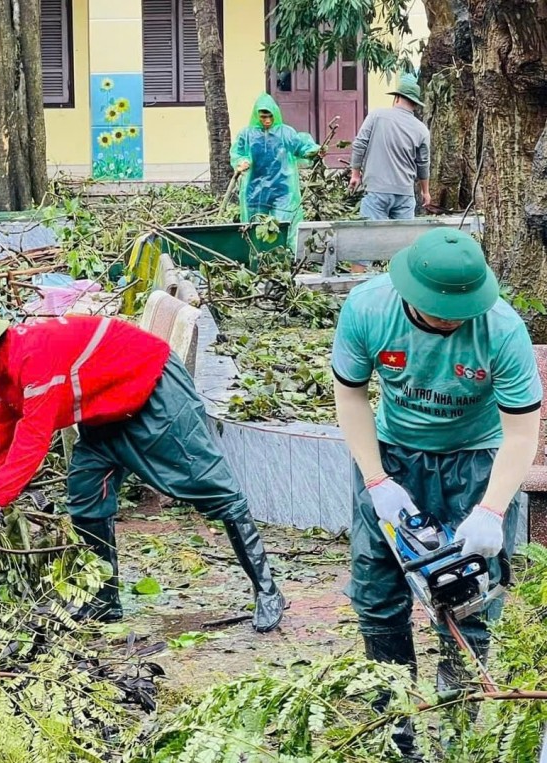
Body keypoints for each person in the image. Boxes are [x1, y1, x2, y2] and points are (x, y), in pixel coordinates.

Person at [0, 313, 286, 632]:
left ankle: (267, 590)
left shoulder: (33, 357)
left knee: (210, 487)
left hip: (152, 392)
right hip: (103, 411)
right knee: (86, 498)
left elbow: (32, 440)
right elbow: (1, 430)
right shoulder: (5, 374)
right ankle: (105, 600)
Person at [332, 228, 541, 758]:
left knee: (466, 598)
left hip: (475, 460)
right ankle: (395, 725)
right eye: (439, 312)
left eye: (460, 311)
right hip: (393, 455)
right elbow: (351, 396)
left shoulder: (501, 329)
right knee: (378, 599)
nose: (451, 321)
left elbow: (521, 431)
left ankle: (456, 726)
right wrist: (376, 480)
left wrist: (491, 510)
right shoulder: (368, 308)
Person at [230, 93, 323, 238]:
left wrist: (314, 151)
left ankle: (285, 254)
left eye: (270, 116)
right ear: (256, 115)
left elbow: (300, 146)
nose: (267, 120)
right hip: (254, 190)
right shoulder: (246, 134)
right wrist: (241, 162)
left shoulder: (286, 133)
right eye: (263, 117)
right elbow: (237, 152)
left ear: (276, 114)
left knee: (283, 226)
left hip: (283, 189)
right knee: (256, 227)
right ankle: (258, 257)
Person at [349, 73, 432, 220]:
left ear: (397, 97)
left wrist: (355, 174)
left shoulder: (376, 116)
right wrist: (425, 192)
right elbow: (423, 164)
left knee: (373, 239)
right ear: (414, 104)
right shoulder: (422, 130)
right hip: (405, 195)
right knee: (403, 240)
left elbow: (359, 144)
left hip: (376, 191)